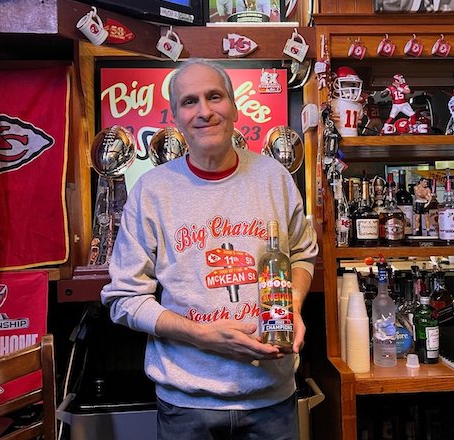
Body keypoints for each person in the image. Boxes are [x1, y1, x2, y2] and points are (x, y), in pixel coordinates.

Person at [100, 58, 318, 440]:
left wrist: (293, 305)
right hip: (188, 407)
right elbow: (123, 299)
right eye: (189, 101)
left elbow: (301, 253)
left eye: (214, 96)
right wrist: (200, 335)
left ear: (233, 106)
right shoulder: (152, 192)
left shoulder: (275, 178)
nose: (203, 111)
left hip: (273, 399)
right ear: (175, 116)